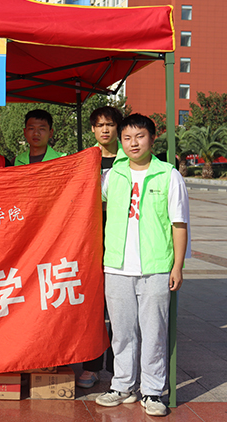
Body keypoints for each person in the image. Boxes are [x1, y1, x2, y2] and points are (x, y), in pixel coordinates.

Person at [95, 114, 189, 417]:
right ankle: (122, 385)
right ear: (120, 141)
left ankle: (152, 391)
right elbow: (88, 198)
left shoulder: (168, 175)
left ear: (153, 138)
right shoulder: (114, 174)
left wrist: (177, 266)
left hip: (156, 267)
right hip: (117, 266)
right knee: (122, 333)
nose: (133, 143)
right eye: (127, 138)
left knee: (154, 333)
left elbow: (179, 224)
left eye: (140, 136)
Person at [77, 106, 124, 389]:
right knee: (93, 305)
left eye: (110, 124)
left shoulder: (129, 159)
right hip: (90, 238)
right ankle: (92, 366)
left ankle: (120, 369)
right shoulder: (85, 160)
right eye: (100, 125)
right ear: (93, 129)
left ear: (118, 127)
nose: (105, 129)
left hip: (120, 236)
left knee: (120, 307)